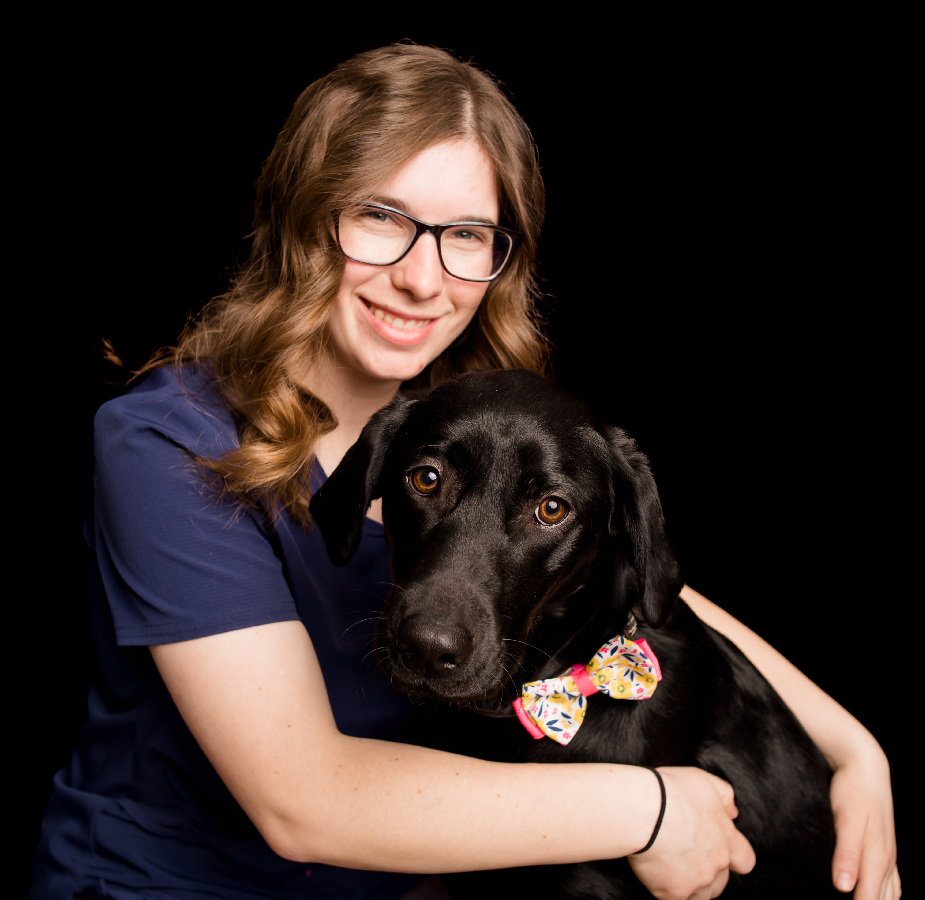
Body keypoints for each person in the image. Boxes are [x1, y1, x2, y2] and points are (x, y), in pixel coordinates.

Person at [30, 43, 900, 900]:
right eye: (380, 216)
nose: (420, 276)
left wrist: (854, 750)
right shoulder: (169, 443)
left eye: (465, 235)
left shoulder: (461, 425)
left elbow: (652, 583)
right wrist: (651, 806)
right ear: (303, 216)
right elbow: (302, 802)